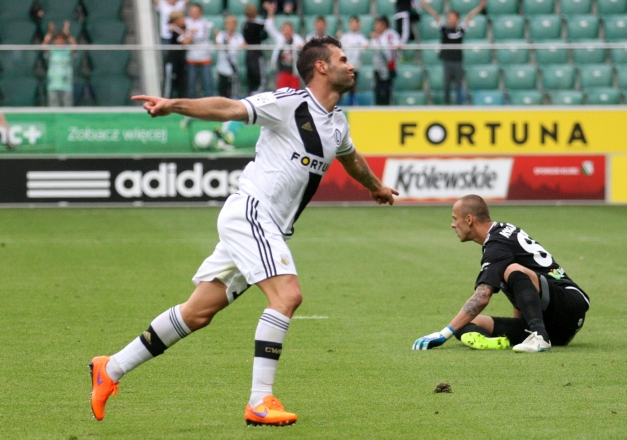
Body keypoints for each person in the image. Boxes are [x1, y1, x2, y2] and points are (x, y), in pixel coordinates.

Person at [89, 36, 399, 426]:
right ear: (321, 67)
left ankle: (110, 369)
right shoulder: (290, 103)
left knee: (197, 312)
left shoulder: (336, 123)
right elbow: (230, 108)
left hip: (265, 225)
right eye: (342, 58)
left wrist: (375, 186)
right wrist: (174, 105)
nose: (351, 65)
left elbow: (350, 158)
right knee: (287, 295)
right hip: (252, 213)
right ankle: (260, 400)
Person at [412, 194, 590, 353]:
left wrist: (442, 334)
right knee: (465, 324)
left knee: (512, 270)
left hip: (569, 303)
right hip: (555, 326)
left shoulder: (497, 245)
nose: (452, 225)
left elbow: (482, 296)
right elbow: (522, 288)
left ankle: (538, 336)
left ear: (468, 219)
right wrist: (521, 326)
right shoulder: (502, 232)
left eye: (454, 219)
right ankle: (521, 337)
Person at [420, 0, 486, 105]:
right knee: (446, 85)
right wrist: (426, 6)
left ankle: (459, 106)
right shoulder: (444, 29)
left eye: (454, 18)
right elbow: (436, 15)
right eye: (449, 18)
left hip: (458, 61)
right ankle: (447, 106)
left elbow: (469, 16)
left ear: (457, 19)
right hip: (447, 61)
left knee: (459, 85)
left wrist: (480, 7)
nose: (452, 20)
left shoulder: (460, 30)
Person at [264, 1, 305, 90]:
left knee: (295, 95)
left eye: (289, 30)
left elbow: (304, 48)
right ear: (282, 31)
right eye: (285, 30)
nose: (287, 32)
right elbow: (269, 27)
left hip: (294, 72)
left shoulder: (297, 39)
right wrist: (271, 13)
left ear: (292, 31)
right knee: (282, 94)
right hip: (282, 72)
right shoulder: (279, 38)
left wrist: (300, 48)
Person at [41, 21, 77, 107]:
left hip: (66, 84)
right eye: (57, 39)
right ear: (54, 41)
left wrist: (67, 32)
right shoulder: (52, 50)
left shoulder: (68, 50)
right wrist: (50, 32)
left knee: (68, 107)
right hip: (53, 84)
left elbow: (75, 45)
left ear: (65, 40)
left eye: (62, 39)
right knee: (53, 108)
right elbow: (43, 46)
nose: (59, 41)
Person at [339, 16, 369, 106]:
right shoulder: (344, 37)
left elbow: (366, 45)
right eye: (352, 23)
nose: (354, 25)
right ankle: (338, 105)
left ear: (359, 25)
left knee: (352, 86)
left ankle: (351, 104)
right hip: (344, 66)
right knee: (340, 85)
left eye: (356, 23)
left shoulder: (361, 37)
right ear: (349, 25)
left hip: (355, 66)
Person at [185, 3, 213, 98]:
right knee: (191, 85)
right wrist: (190, 34)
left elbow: (201, 37)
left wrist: (190, 34)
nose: (194, 13)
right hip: (191, 58)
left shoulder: (204, 23)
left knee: (207, 85)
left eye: (196, 11)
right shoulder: (186, 22)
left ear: (201, 12)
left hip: (204, 58)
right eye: (192, 11)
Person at [371, 16, 400, 106]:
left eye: (377, 24)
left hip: (388, 66)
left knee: (387, 89)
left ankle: (388, 107)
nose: (376, 27)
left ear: (384, 25)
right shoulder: (376, 36)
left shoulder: (391, 34)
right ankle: (378, 108)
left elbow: (396, 46)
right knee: (378, 89)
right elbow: (373, 47)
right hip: (378, 66)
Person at [215, 15, 246, 98]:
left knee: (233, 94)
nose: (230, 26)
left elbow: (244, 45)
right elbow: (217, 44)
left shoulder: (238, 37)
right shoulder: (221, 35)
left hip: (233, 70)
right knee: (222, 93)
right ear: (225, 25)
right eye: (228, 23)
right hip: (222, 69)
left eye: (233, 24)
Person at [242, 3, 268, 95]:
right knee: (258, 75)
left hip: (249, 53)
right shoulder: (256, 25)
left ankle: (252, 92)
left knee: (251, 74)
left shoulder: (245, 25)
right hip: (256, 52)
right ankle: (257, 92)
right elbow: (265, 34)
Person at [163, 10, 187, 98]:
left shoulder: (182, 29)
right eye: (181, 18)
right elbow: (185, 42)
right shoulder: (173, 29)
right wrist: (191, 34)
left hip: (181, 60)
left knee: (181, 82)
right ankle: (165, 100)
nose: (183, 20)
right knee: (170, 82)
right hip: (172, 60)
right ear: (176, 20)